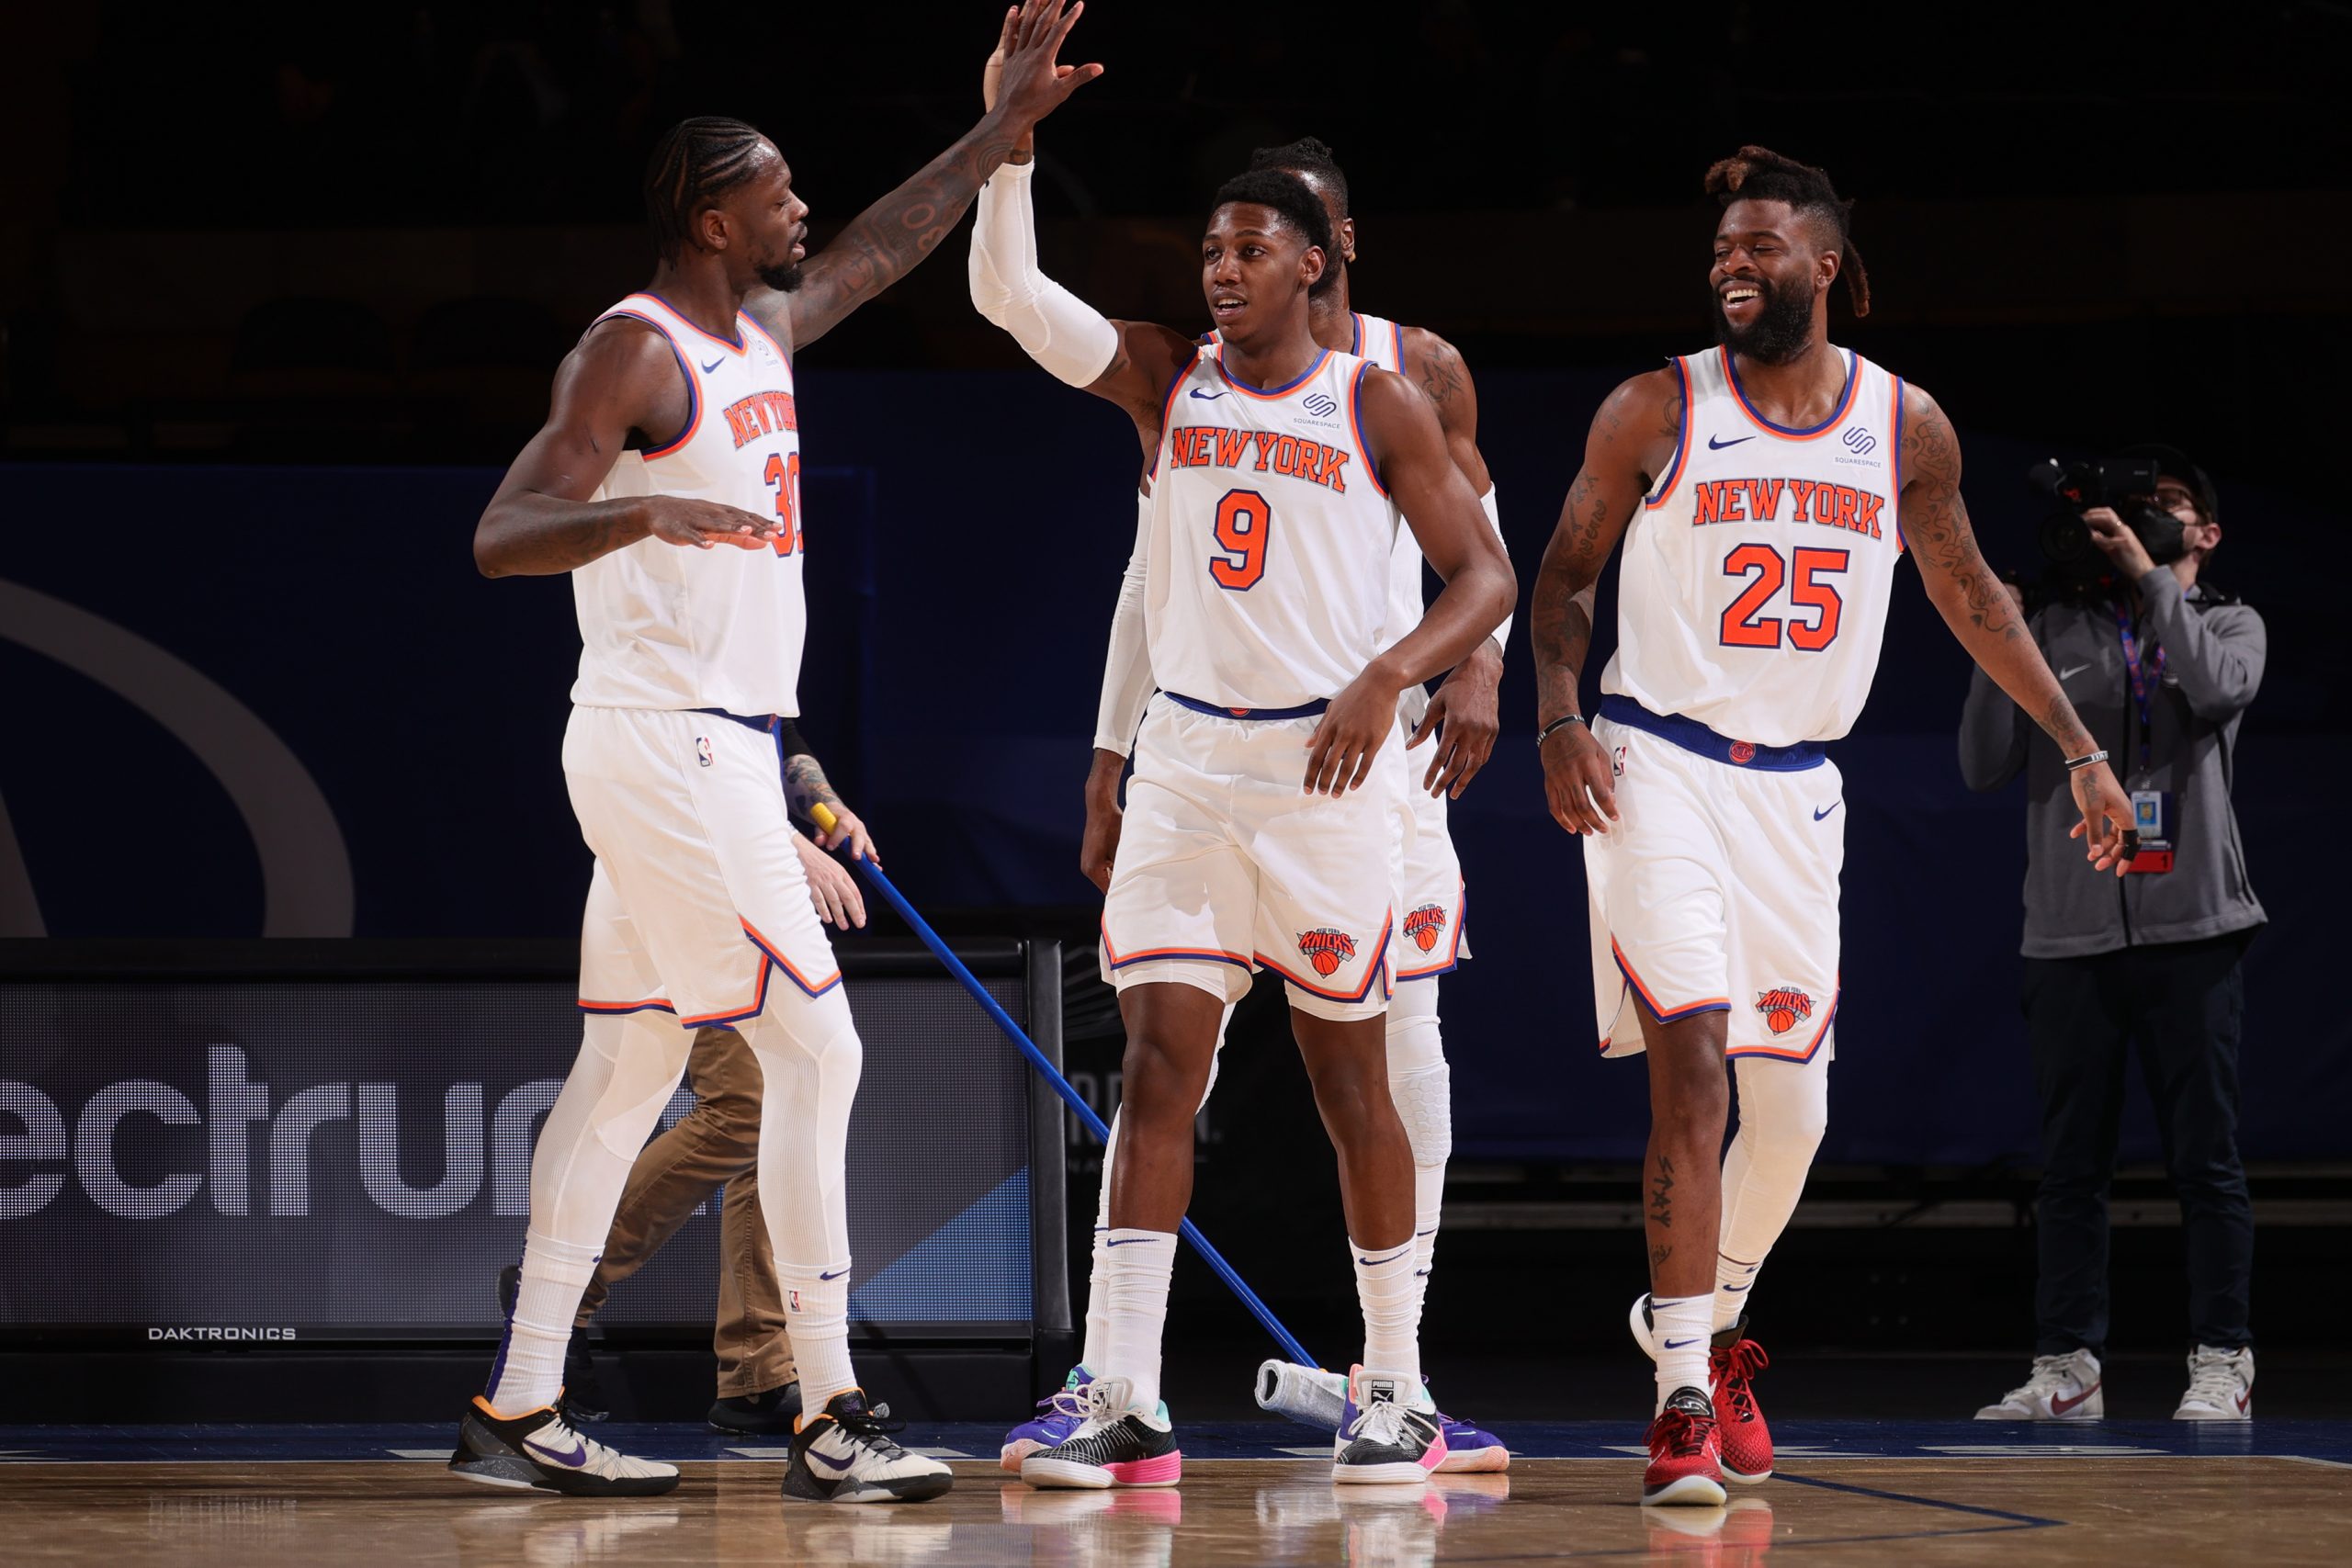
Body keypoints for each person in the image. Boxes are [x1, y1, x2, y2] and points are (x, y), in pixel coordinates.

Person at [447, 0, 1097, 1502]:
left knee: (625, 1075)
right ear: (712, 215)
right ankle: (830, 1408)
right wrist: (640, 507)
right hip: (667, 739)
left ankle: (519, 1401)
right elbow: (502, 533)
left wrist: (1000, 133)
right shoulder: (637, 349)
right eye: (779, 186)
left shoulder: (768, 327)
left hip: (712, 743)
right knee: (822, 1043)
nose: (804, 206)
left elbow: (882, 238)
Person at [1527, 145, 2138, 1506]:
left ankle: (1702, 1317)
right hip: (1656, 758)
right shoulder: (1657, 404)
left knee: (1792, 1118)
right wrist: (1559, 715)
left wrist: (2081, 747)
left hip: (1800, 789)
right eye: (1719, 252)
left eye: (1757, 247)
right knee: (1690, 1064)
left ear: (1825, 263)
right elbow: (1563, 581)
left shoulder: (1903, 426)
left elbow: (1972, 590)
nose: (1729, 265)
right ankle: (1682, 1391)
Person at [969, 129, 1515, 1486]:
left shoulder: (1379, 401)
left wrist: (1392, 676)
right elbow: (1009, 298)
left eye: (1249, 249)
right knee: (1159, 1071)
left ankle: (1393, 1384)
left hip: (1328, 780)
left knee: (1354, 1084)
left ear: (1315, 265)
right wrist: (1011, 149)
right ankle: (1122, 1394)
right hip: (1191, 774)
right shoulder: (1164, 375)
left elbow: (1485, 578)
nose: (1221, 268)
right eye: (1210, 248)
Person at [1962, 449, 2264, 1422]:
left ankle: (2222, 1356)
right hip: (2068, 937)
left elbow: (2215, 694)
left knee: (2204, 1160)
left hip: (2193, 931)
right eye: (2124, 518)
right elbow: (1980, 764)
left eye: (2163, 512)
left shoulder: (2226, 621)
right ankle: (2067, 1367)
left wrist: (2146, 576)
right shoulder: (2051, 628)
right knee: (2070, 1167)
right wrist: (1993, 637)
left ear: (2203, 533)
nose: (2132, 526)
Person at [508, 742, 873, 1438]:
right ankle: (562, 1289)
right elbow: (684, 750)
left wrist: (822, 802)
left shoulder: (754, 657)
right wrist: (787, 844)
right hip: (697, 877)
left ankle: (760, 1370)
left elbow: (781, 744)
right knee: (747, 1106)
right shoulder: (674, 666)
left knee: (777, 1105)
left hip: (745, 866)